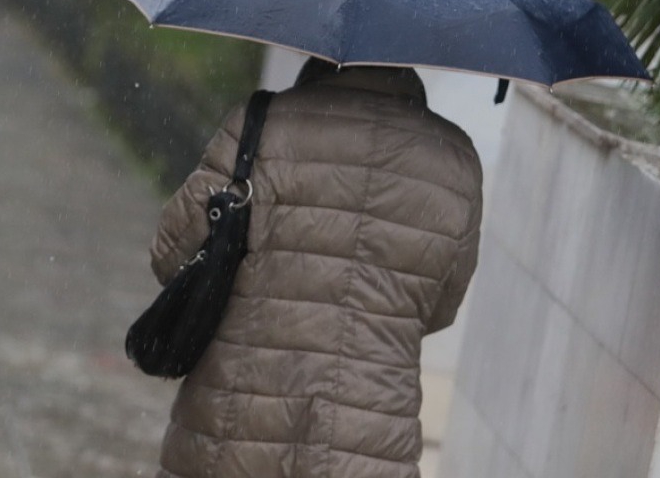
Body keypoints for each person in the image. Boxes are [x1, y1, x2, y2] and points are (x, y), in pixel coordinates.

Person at [149, 57, 483, 478]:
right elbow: (439, 308)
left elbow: (170, 256)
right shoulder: (455, 161)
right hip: (368, 442)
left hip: (233, 427)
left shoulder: (261, 126)